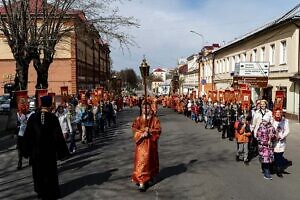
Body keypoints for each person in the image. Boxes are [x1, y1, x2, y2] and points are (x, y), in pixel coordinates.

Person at [22, 95, 70, 199]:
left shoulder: (32, 117)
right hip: (49, 152)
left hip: (36, 153)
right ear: (49, 106)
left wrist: (25, 151)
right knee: (50, 172)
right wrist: (62, 152)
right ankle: (51, 192)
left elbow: (27, 136)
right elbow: (58, 136)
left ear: (41, 104)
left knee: (38, 172)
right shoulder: (53, 118)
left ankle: (40, 191)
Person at [131, 102, 162, 192]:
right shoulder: (138, 119)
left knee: (150, 161)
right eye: (144, 108)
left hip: (151, 143)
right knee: (141, 162)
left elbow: (158, 130)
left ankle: (148, 177)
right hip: (141, 144)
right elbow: (134, 129)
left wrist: (150, 131)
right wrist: (142, 133)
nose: (146, 110)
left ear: (150, 109)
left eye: (147, 108)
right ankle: (141, 182)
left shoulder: (155, 119)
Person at [256, 114, 277, 180]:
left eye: (265, 121)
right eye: (263, 120)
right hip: (262, 146)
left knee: (268, 159)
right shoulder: (261, 127)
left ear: (268, 121)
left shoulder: (271, 128)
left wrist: (272, 136)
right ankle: (266, 173)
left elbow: (274, 136)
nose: (263, 122)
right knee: (265, 159)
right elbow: (258, 136)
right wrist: (263, 141)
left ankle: (265, 170)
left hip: (269, 146)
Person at [272, 109, 289, 177]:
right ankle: (274, 166)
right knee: (274, 155)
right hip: (273, 141)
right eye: (276, 112)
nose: (278, 114)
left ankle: (279, 170)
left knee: (280, 155)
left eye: (279, 113)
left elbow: (287, 130)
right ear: (274, 113)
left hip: (281, 141)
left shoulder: (285, 121)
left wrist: (281, 136)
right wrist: (273, 136)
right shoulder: (272, 120)